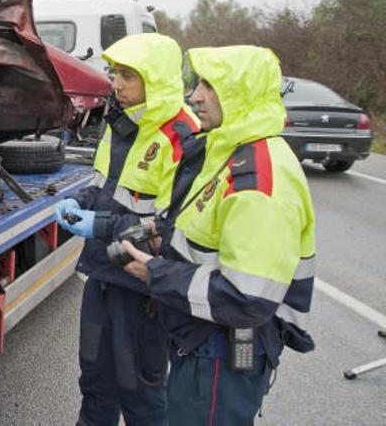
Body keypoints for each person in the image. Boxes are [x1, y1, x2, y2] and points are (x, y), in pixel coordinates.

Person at [120, 45, 316, 425]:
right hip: (203, 343)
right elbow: (206, 233)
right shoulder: (230, 151)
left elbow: (247, 298)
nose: (195, 96)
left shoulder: (258, 183)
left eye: (210, 85)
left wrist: (155, 273)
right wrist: (163, 240)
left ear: (240, 92)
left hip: (223, 353)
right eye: (198, 84)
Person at [53, 33, 199, 426]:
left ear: (155, 80)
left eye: (127, 76)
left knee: (141, 392)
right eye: (115, 74)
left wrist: (98, 224)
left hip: (144, 287)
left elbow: (171, 227)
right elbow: (103, 183)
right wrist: (79, 203)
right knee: (96, 383)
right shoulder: (121, 123)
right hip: (103, 275)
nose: (115, 85)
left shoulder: (183, 136)